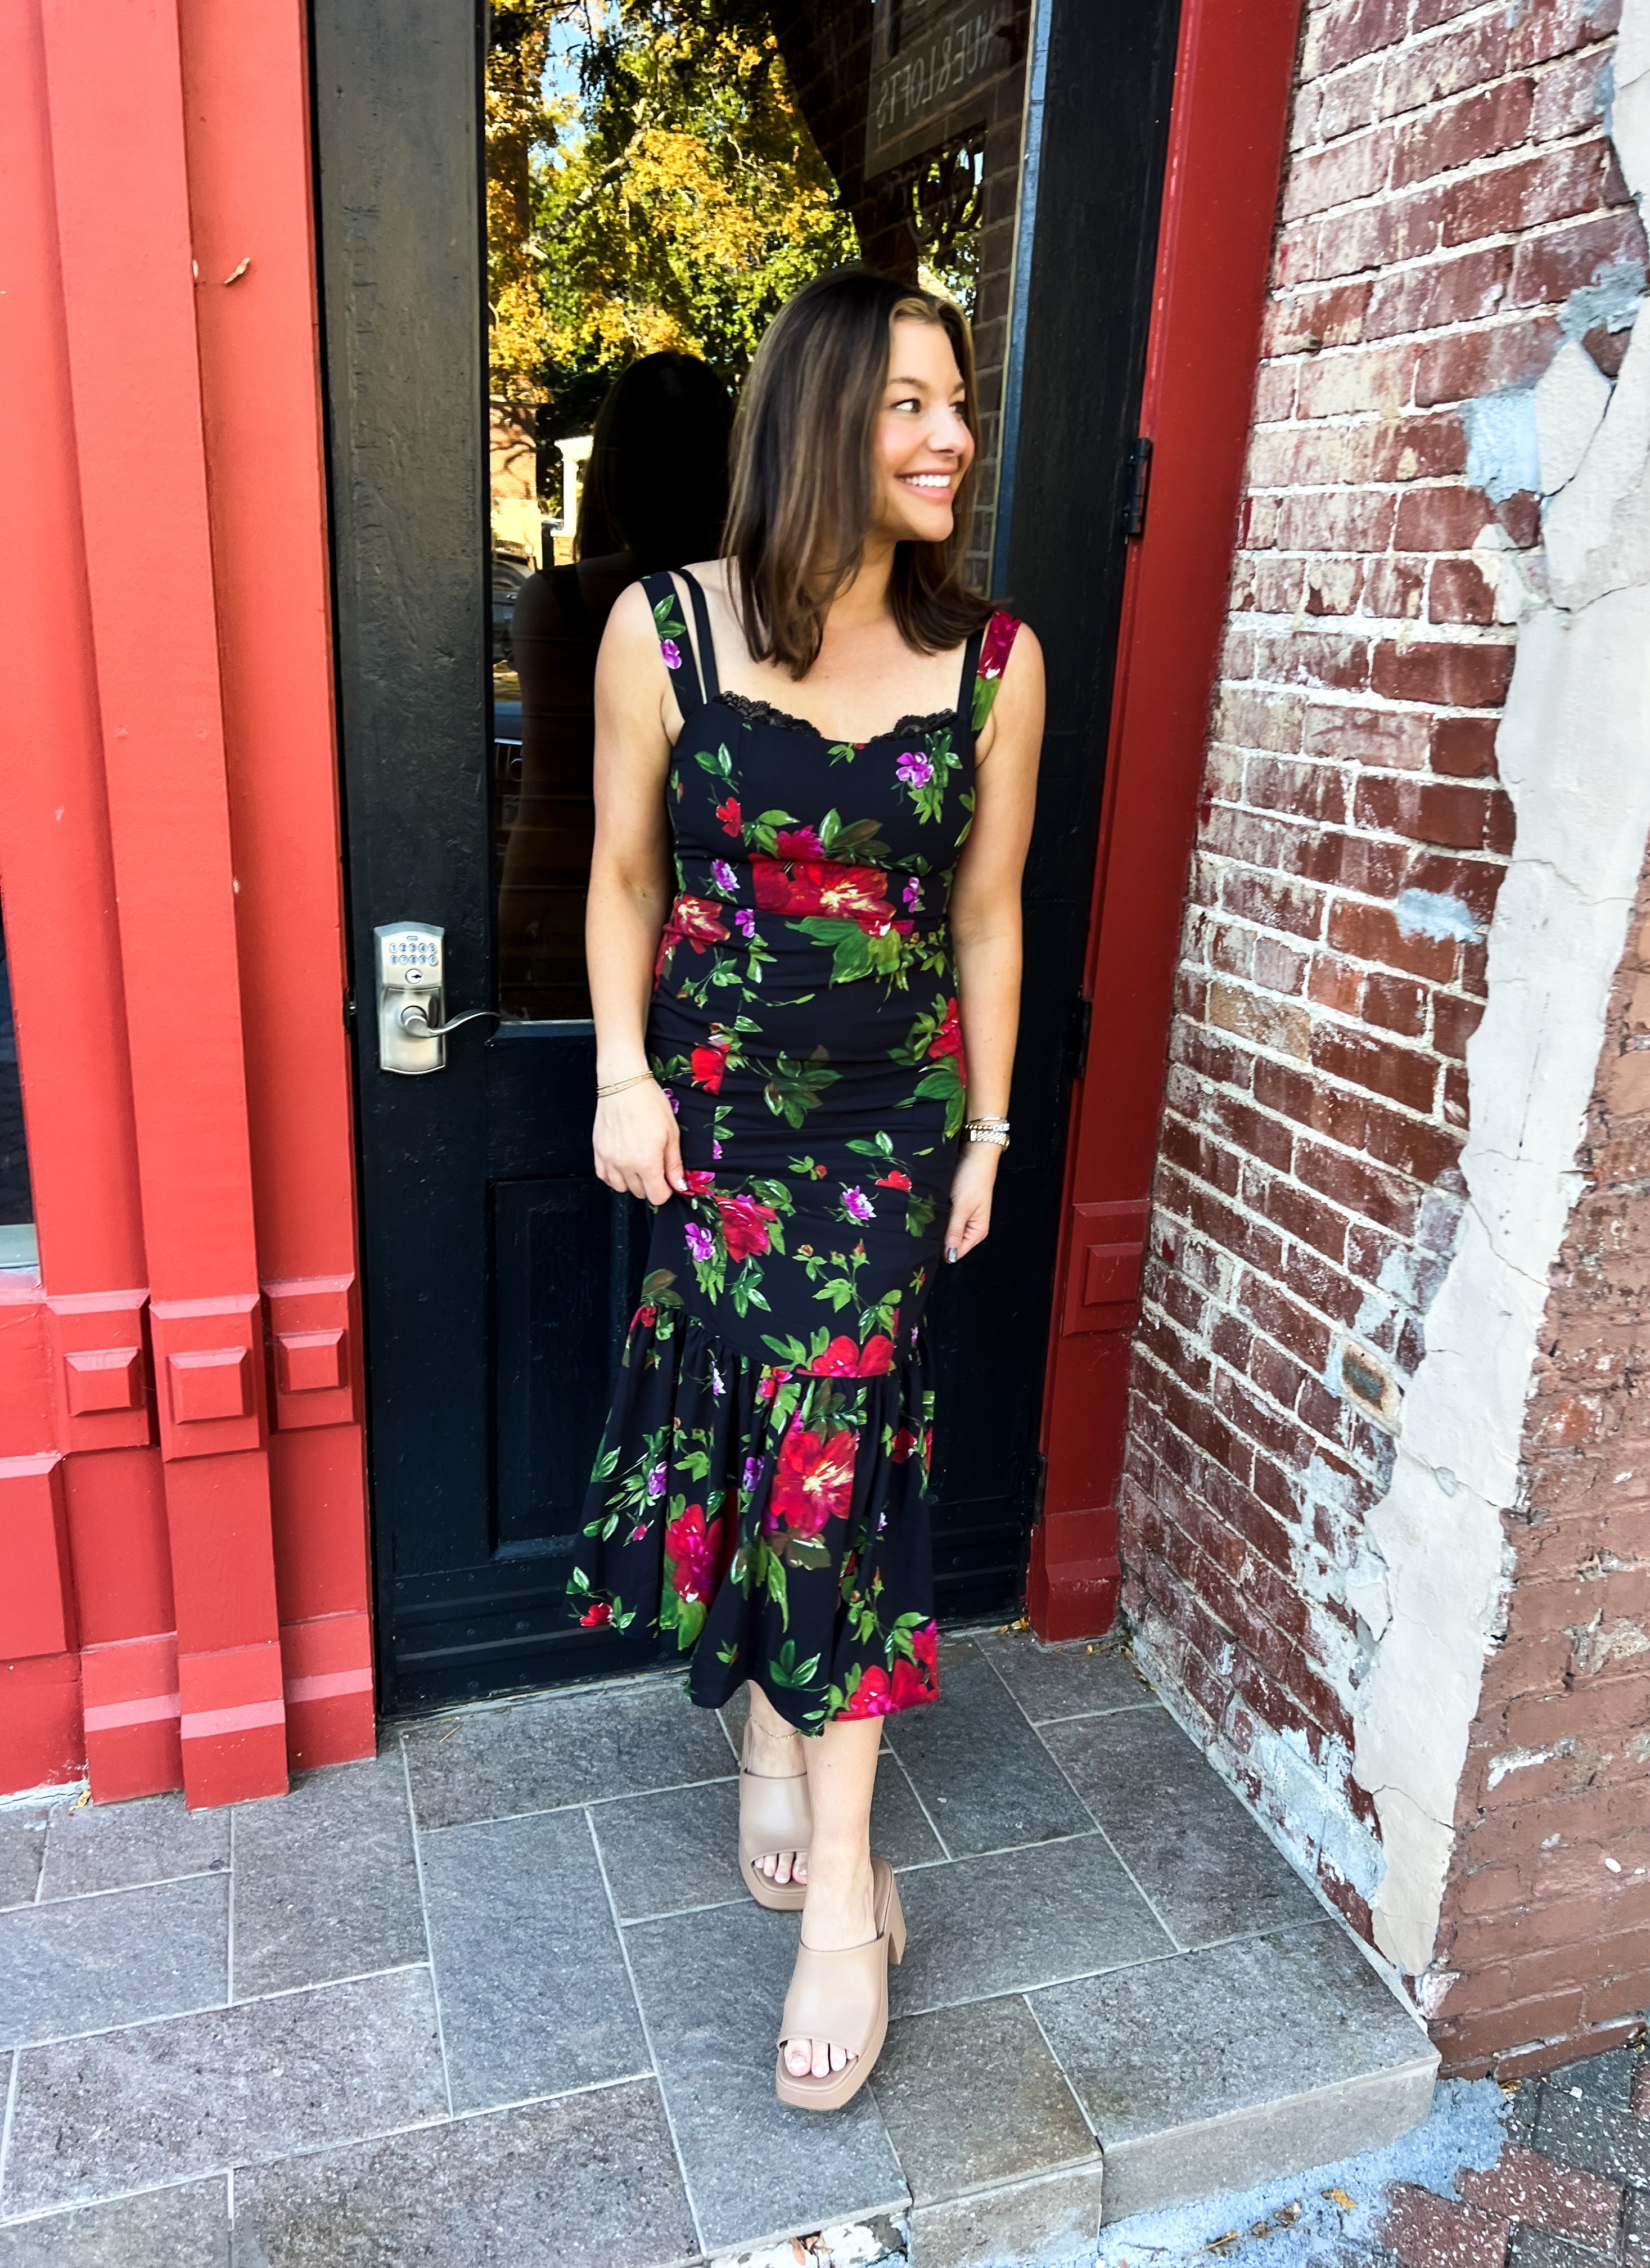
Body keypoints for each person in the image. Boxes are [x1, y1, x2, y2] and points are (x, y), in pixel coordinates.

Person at [572, 266, 1043, 2109]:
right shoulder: (663, 632)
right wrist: (620, 1072)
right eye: (909, 402)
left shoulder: (993, 663)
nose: (950, 436)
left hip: (887, 1142)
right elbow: (624, 873)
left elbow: (986, 915)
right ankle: (771, 1738)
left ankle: (846, 1892)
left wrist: (990, 1131)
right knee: (754, 1434)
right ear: (819, 420)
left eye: (957, 402)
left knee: (837, 1460)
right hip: (717, 1129)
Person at [498, 352, 732, 1017]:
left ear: (612, 472)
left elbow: (549, 806)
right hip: (724, 939)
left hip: (585, 926)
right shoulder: (766, 610)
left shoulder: (564, 603)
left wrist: (506, 944)